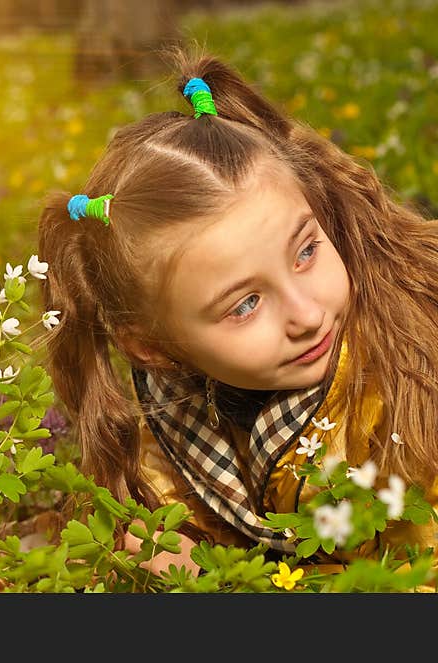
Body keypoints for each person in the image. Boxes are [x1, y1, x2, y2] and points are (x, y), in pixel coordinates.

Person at [36, 42, 438, 578]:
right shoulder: (169, 409)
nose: (308, 314)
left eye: (306, 251)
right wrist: (170, 546)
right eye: (245, 304)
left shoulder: (409, 380)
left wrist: (221, 582)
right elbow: (190, 513)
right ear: (151, 348)